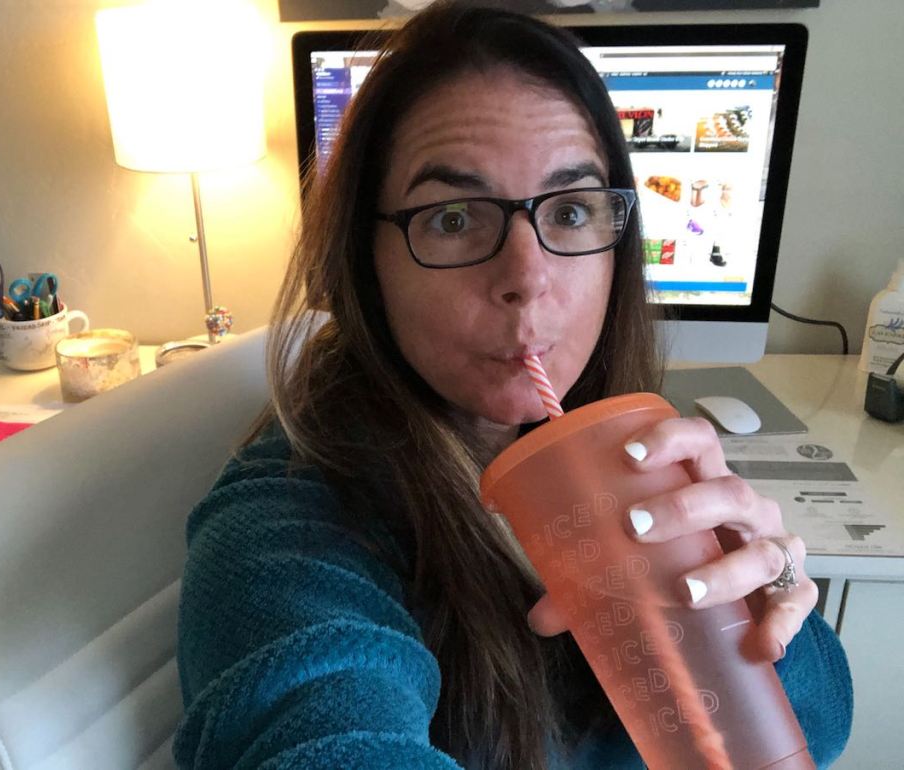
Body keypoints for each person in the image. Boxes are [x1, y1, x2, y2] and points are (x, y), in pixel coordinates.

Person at [173, 3, 852, 768]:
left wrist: (767, 607)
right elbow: (323, 731)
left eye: (569, 210)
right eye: (454, 218)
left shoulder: (625, 458)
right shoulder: (287, 531)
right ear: (363, 262)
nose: (528, 281)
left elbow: (818, 727)